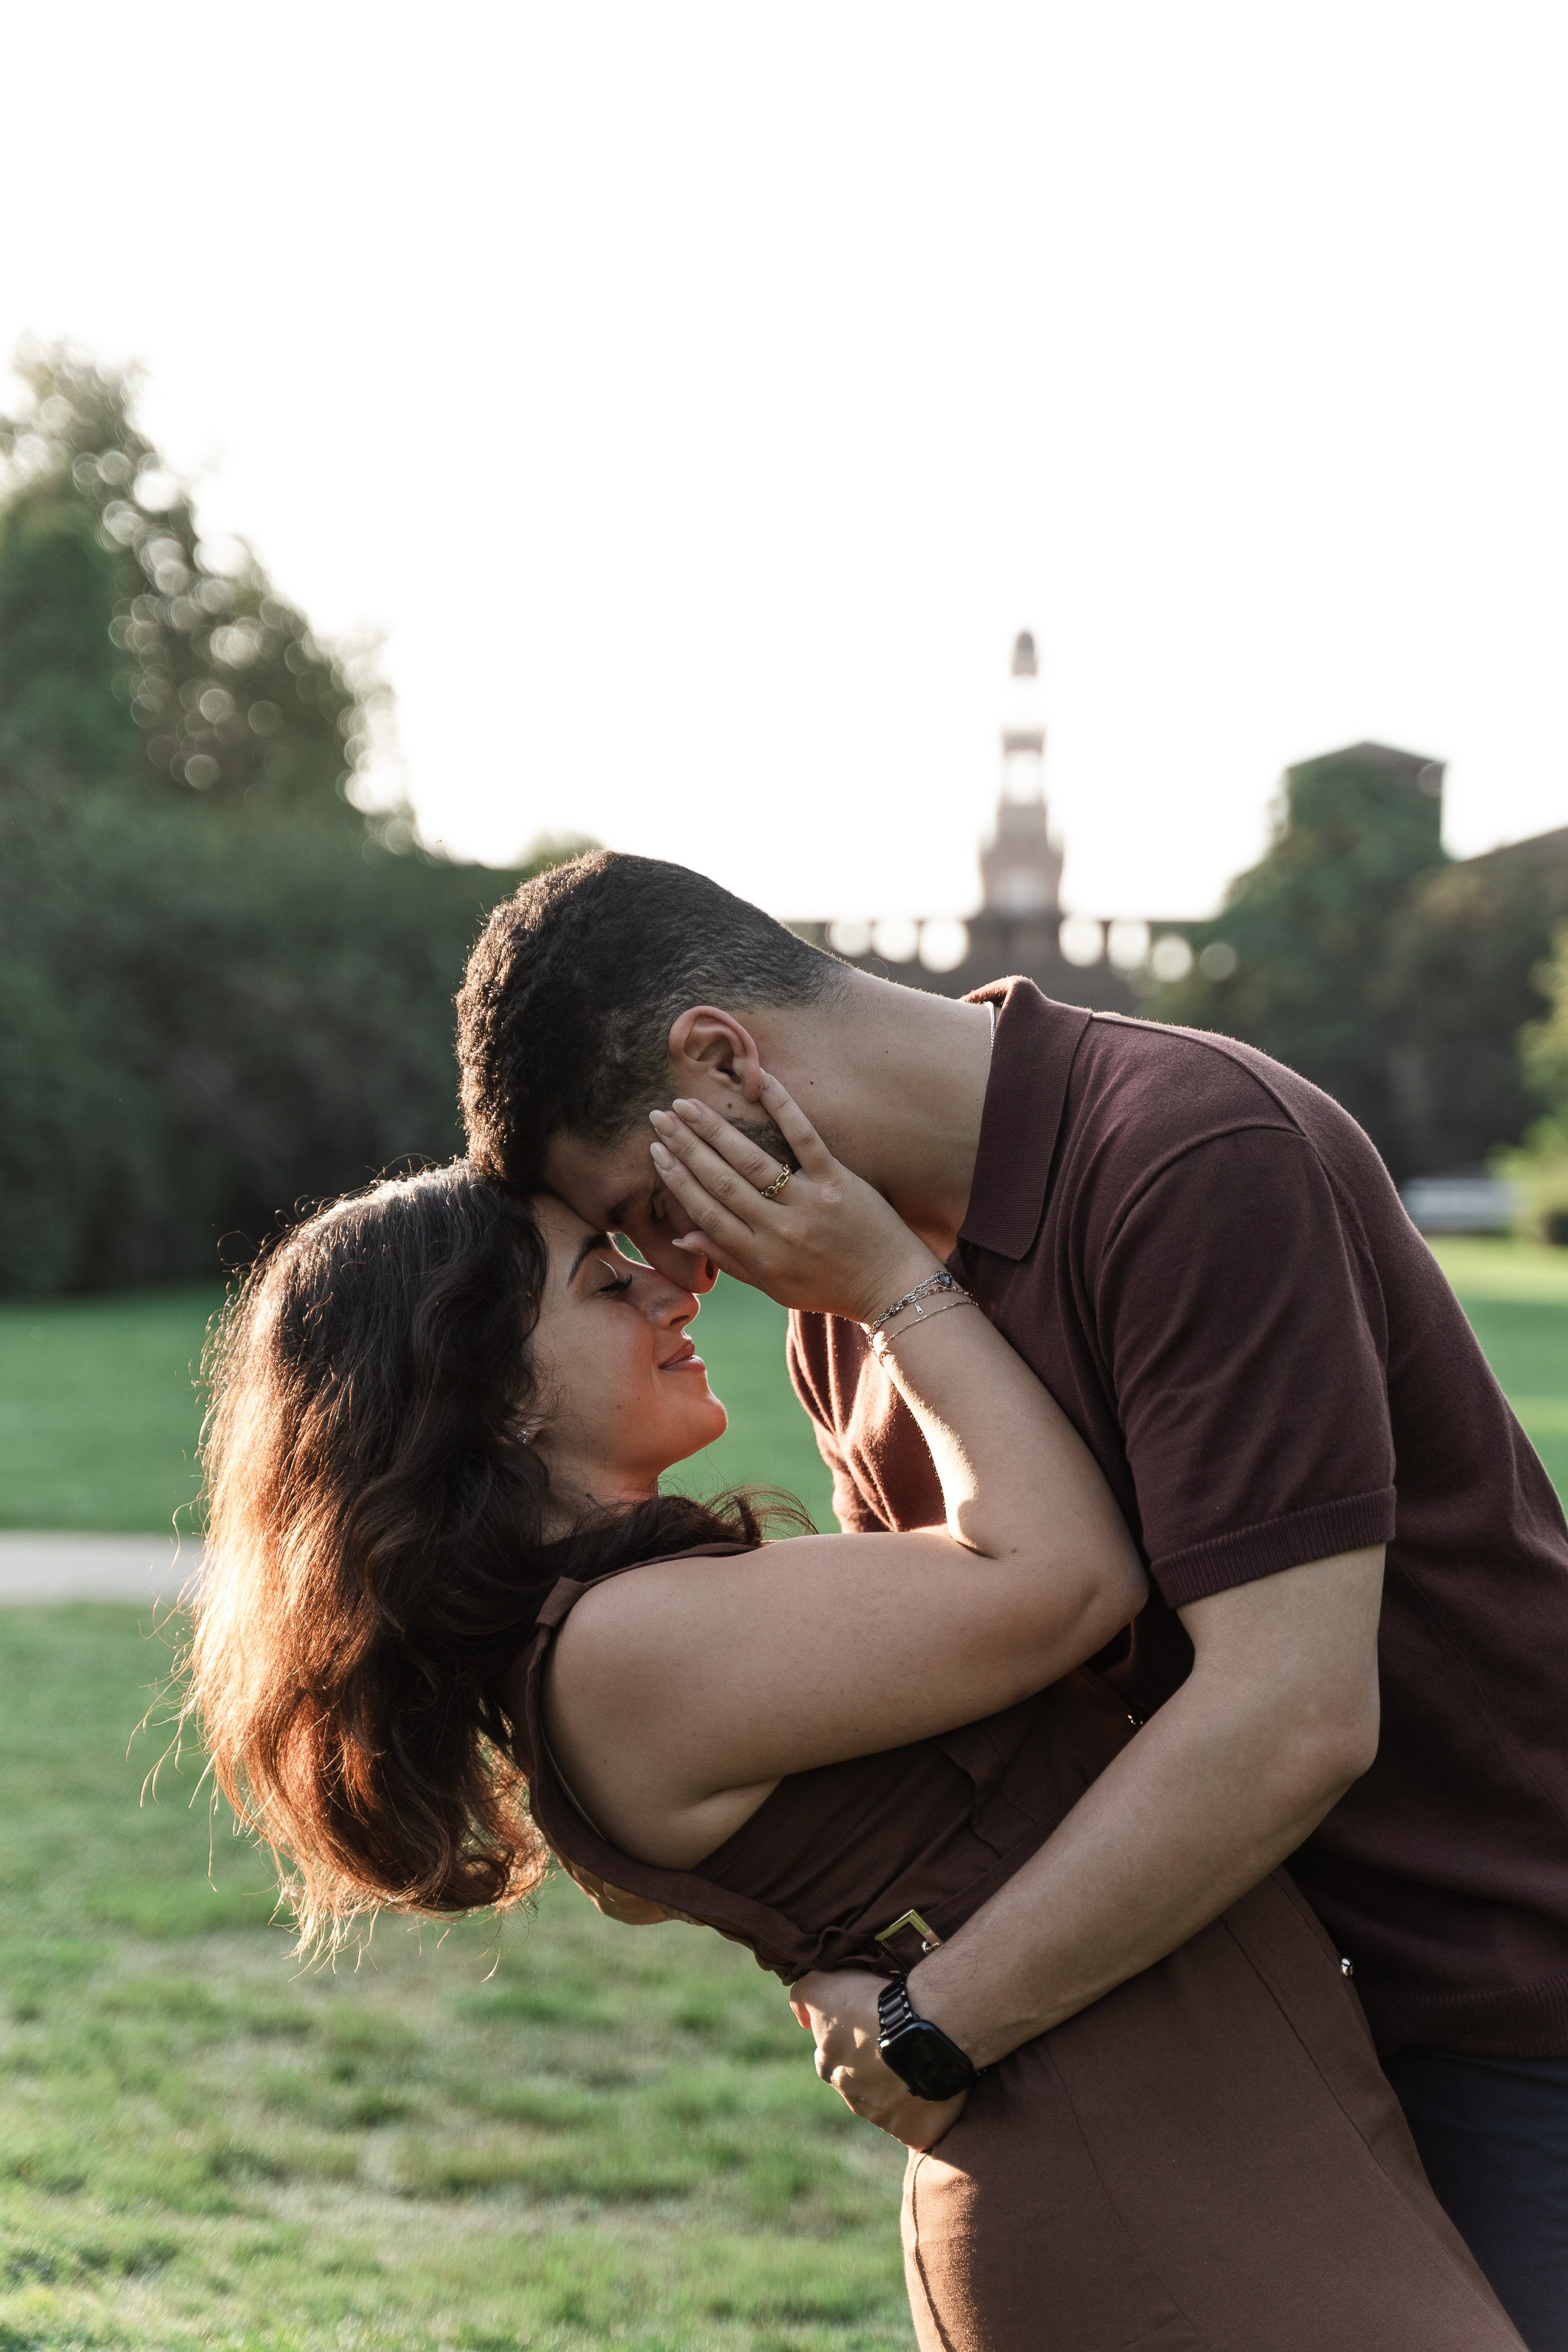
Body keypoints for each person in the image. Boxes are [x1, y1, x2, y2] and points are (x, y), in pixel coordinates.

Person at [456, 848, 1568, 2352]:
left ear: (720, 1058)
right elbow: (942, 1735)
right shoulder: (843, 1314)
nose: (678, 1271)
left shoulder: (1187, 1156)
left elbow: (1291, 1713)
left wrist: (935, 2020)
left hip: (1499, 2007)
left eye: (656, 1204)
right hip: (1226, 2041)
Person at [183, 1110, 1519, 2349]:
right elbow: (1063, 1578)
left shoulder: (622, 1635)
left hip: (1223, 2156)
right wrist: (887, 1279)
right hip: (1158, 2201)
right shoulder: (617, 1648)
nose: (671, 1288)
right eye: (606, 1280)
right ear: (498, 1398)